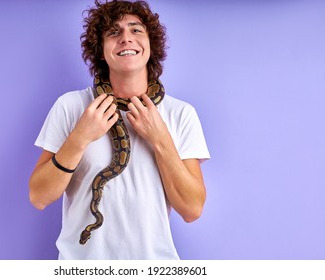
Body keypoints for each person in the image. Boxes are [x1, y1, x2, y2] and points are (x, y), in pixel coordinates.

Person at [29, 0, 210, 260]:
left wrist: (160, 140)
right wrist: (80, 137)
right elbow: (39, 196)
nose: (126, 38)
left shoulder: (180, 114)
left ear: (151, 45)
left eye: (136, 30)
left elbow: (192, 209)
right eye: (113, 32)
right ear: (101, 50)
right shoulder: (72, 106)